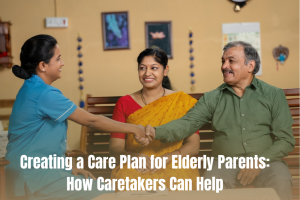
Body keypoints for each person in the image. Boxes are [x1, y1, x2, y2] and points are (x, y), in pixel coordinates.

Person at [139, 41, 295, 200]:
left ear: (250, 66)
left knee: (280, 179)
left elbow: (286, 139)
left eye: (231, 61)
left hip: (267, 163)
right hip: (224, 165)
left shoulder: (273, 95)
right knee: (211, 184)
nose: (224, 66)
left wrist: (259, 161)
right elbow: (187, 123)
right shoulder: (212, 98)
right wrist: (155, 132)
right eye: (223, 61)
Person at [6, 34, 144, 200]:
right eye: (58, 59)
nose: (62, 63)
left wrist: (67, 167)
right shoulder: (45, 93)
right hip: (33, 178)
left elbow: (38, 142)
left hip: (29, 174)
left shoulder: (31, 88)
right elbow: (92, 121)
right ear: (43, 65)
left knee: (100, 185)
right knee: (109, 192)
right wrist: (135, 128)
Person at [109, 48, 200, 190]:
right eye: (142, 68)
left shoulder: (183, 102)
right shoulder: (124, 103)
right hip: (137, 163)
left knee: (178, 181)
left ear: (165, 70)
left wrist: (168, 157)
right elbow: (115, 148)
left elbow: (194, 145)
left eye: (154, 68)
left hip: (174, 162)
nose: (147, 73)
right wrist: (133, 157)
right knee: (127, 180)